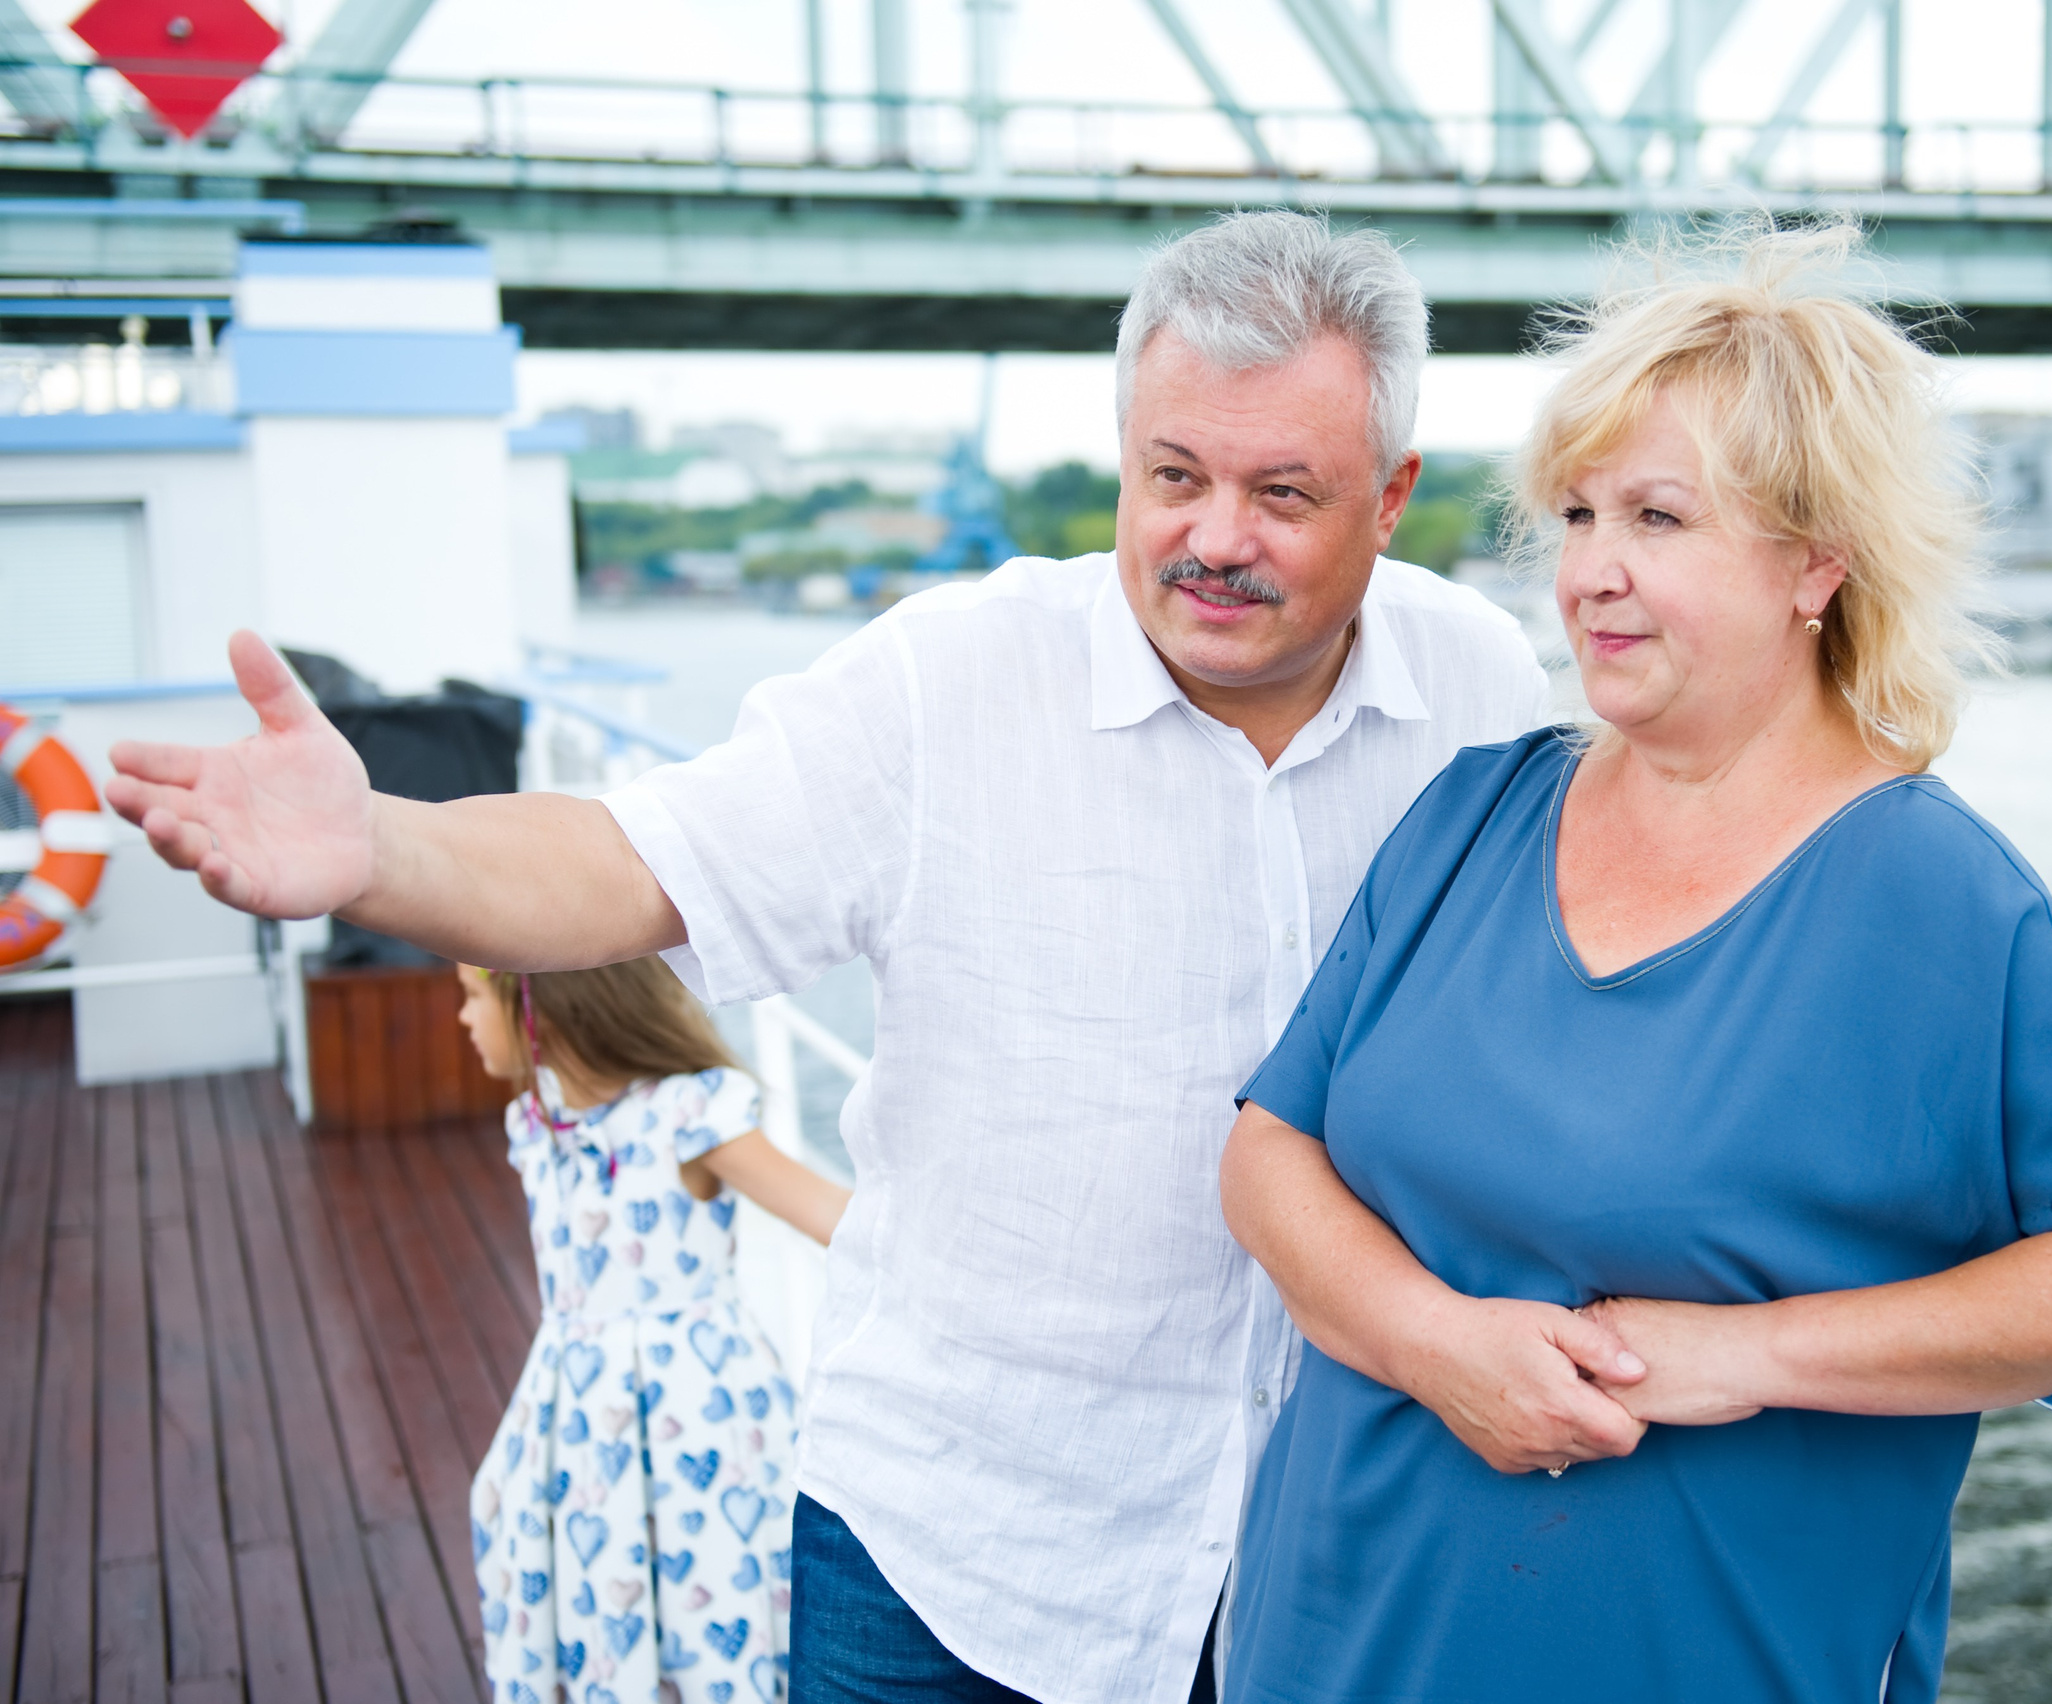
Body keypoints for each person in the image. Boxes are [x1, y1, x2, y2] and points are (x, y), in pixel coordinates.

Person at [102, 211, 1551, 1704]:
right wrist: (383, 852)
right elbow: (632, 861)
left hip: (1315, 1565)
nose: (1213, 538)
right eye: (1174, 476)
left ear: (1390, 500)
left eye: (1283, 493)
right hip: (954, 1571)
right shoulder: (947, 683)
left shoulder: (1484, 691)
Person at [1217, 221, 2052, 1704]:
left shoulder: (1933, 900)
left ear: (1814, 566)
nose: (1591, 571)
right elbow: (1271, 1150)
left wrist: (1749, 1356)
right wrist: (1430, 1340)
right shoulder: (1474, 813)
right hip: (1325, 1655)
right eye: (1578, 516)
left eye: (1658, 519)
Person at [454, 955, 851, 1704]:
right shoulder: (540, 1127)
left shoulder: (689, 1118)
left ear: (538, 1006)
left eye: (473, 998)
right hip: (581, 1422)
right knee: (608, 1599)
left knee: (714, 1592)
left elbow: (836, 1219)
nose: (464, 1021)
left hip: (697, 1415)